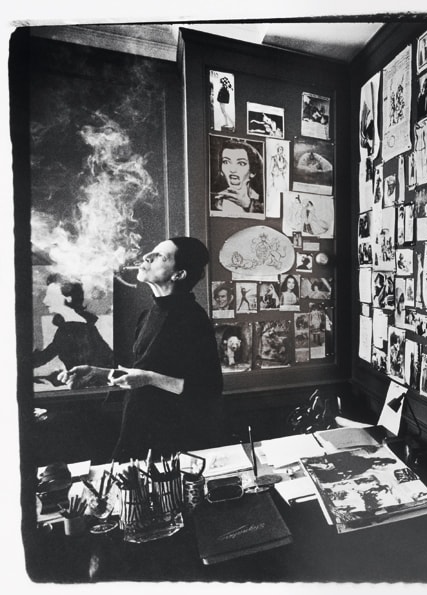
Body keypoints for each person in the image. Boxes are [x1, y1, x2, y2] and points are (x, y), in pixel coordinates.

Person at [60, 237, 223, 458]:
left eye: (160, 257)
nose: (147, 257)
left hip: (170, 440)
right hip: (137, 428)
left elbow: (209, 388)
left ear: (179, 274)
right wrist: (99, 373)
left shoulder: (193, 319)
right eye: (152, 252)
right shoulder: (148, 315)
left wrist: (147, 378)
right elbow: (144, 371)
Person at [33, 276, 114, 386]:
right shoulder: (76, 326)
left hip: (90, 390)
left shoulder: (72, 328)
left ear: (68, 298)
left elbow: (45, 356)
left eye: (51, 295)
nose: (45, 300)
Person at [211, 138, 264, 215]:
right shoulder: (215, 202)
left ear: (253, 172)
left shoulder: (264, 202)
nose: (232, 169)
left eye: (241, 163)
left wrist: (248, 205)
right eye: (226, 162)